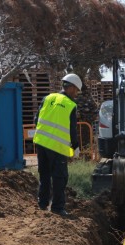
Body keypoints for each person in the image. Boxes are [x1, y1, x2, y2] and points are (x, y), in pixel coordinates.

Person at [33, 73, 82, 217]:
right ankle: (57, 208)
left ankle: (42, 204)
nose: (76, 94)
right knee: (60, 177)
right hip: (57, 147)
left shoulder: (47, 98)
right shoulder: (70, 105)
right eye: (77, 90)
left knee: (44, 174)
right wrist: (75, 146)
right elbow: (72, 128)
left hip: (41, 143)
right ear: (71, 88)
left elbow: (37, 119)